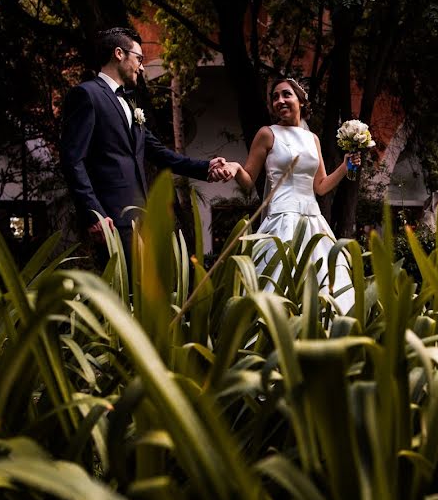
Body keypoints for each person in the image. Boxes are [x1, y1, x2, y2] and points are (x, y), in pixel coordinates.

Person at [60, 27, 230, 267]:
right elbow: (72, 159)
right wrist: (94, 213)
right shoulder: (86, 95)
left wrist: (206, 167)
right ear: (119, 53)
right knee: (120, 295)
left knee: (143, 295)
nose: (141, 67)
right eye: (139, 58)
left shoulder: (130, 102)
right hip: (110, 219)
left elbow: (158, 152)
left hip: (140, 216)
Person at [218, 78, 358, 313]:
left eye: (286, 95)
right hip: (281, 221)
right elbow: (248, 180)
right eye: (275, 97)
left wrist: (345, 167)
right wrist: (234, 168)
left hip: (314, 222)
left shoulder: (312, 138)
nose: (280, 101)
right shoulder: (267, 134)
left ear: (301, 101)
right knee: (277, 282)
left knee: (325, 284)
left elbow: (321, 187)